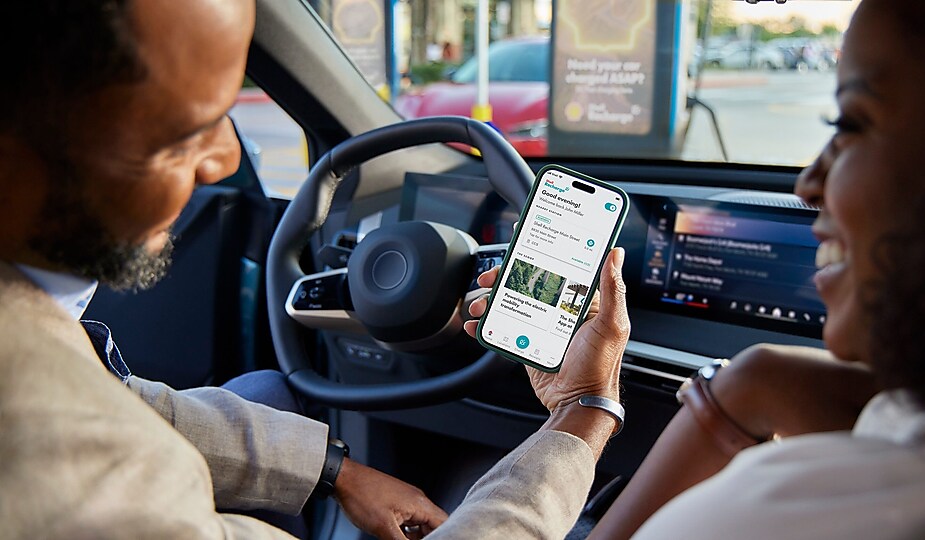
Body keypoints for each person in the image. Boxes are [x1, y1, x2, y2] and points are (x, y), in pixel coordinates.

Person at [0, 0, 629, 538]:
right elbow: (91, 429)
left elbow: (121, 402)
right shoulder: (61, 465)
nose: (222, 159)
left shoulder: (36, 337)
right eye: (181, 135)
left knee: (270, 391)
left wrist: (336, 471)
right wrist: (584, 409)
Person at [580, 0, 925, 538]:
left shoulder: (826, 507)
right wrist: (751, 386)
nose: (808, 183)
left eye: (849, 124)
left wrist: (585, 407)